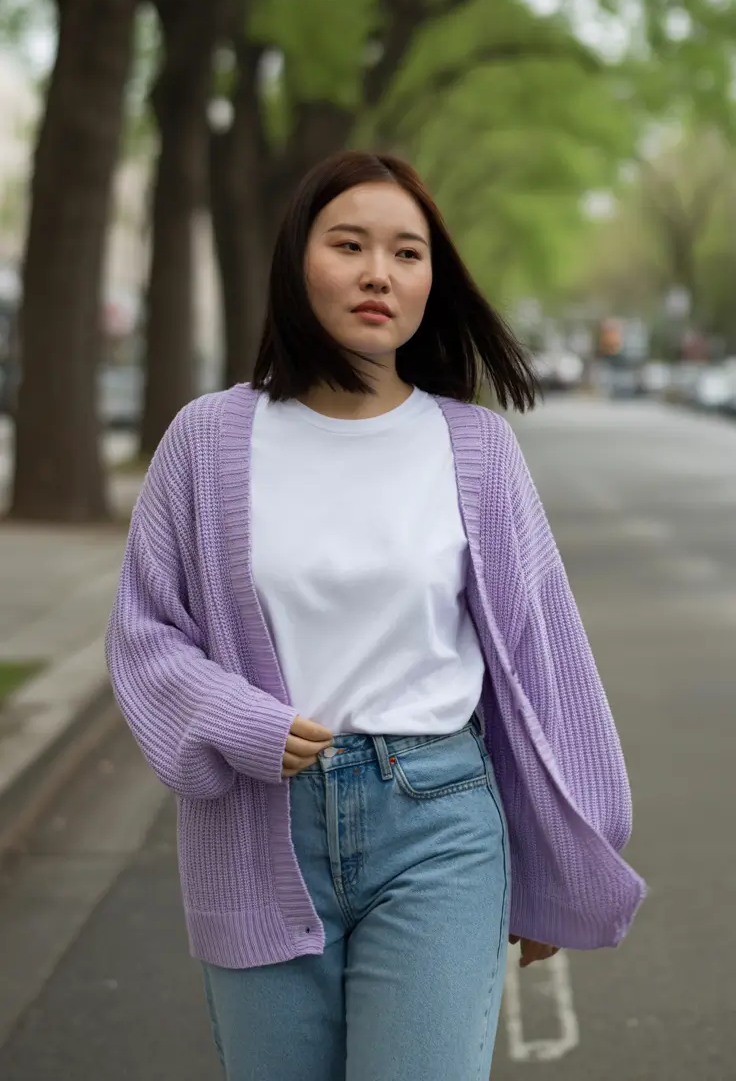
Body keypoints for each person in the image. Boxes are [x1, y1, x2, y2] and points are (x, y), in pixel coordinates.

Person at [106, 150, 646, 1081]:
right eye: (348, 244)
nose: (377, 274)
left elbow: (542, 653)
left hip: (438, 823)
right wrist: (238, 721)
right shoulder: (209, 439)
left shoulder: (474, 448)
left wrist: (566, 855)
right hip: (255, 827)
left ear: (432, 281)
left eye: (407, 253)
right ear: (295, 262)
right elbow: (145, 632)